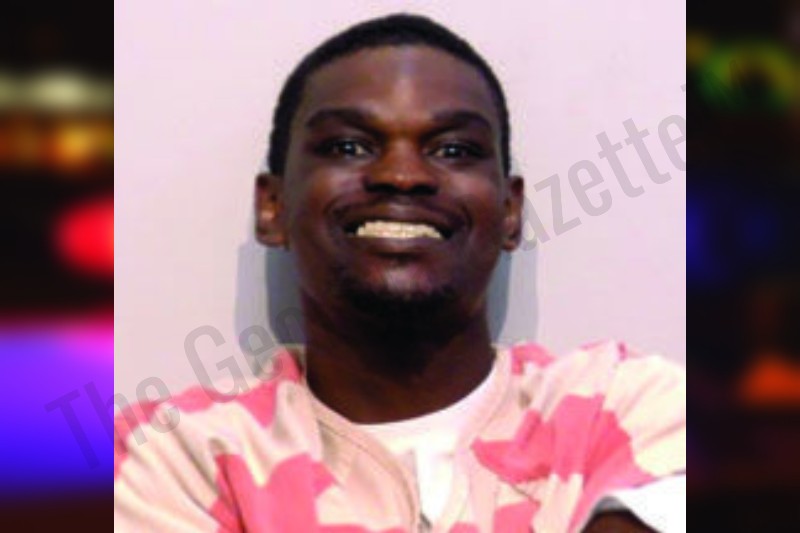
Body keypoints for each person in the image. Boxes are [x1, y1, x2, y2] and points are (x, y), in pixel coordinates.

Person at [114, 14, 685, 532]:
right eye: (349, 146)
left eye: (454, 150)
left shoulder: (624, 409)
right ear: (273, 207)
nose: (402, 175)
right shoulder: (171, 456)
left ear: (510, 212)